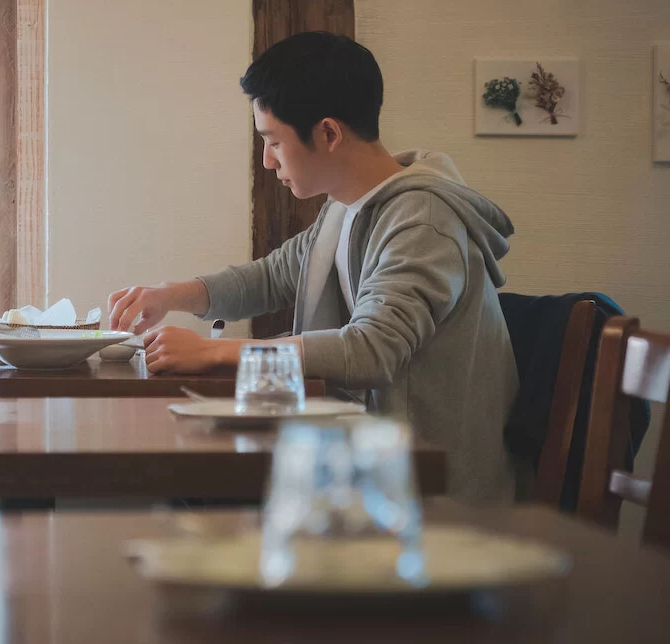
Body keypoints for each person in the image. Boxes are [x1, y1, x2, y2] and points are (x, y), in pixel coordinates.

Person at [108, 32, 520, 503]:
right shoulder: (346, 207)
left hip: (421, 488)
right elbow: (274, 276)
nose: (267, 161)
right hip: (363, 459)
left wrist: (212, 353)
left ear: (328, 133)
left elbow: (371, 349)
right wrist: (170, 294)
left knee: (188, 486)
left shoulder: (422, 219)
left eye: (274, 142)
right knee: (187, 478)